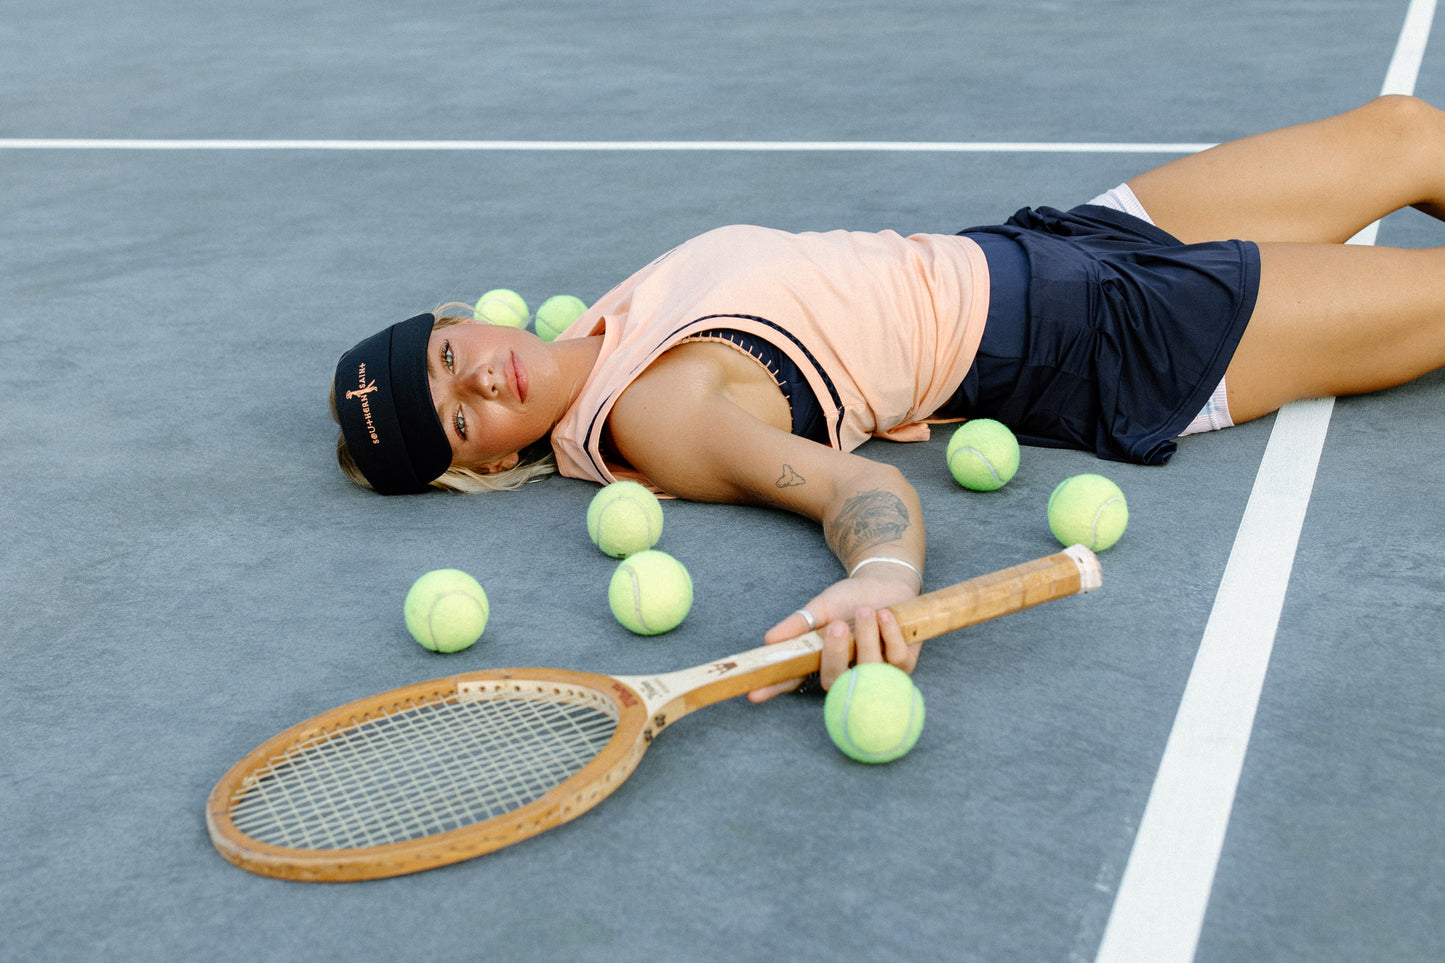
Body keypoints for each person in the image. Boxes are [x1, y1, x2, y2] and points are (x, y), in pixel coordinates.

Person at [330, 95, 1445, 700]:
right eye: (463, 423)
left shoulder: (592, 334)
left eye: (444, 361)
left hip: (1053, 243)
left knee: (1402, 133)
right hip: (1107, 343)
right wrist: (879, 579)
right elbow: (853, 489)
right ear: (482, 466)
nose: (475, 379)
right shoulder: (648, 418)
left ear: (452, 322)